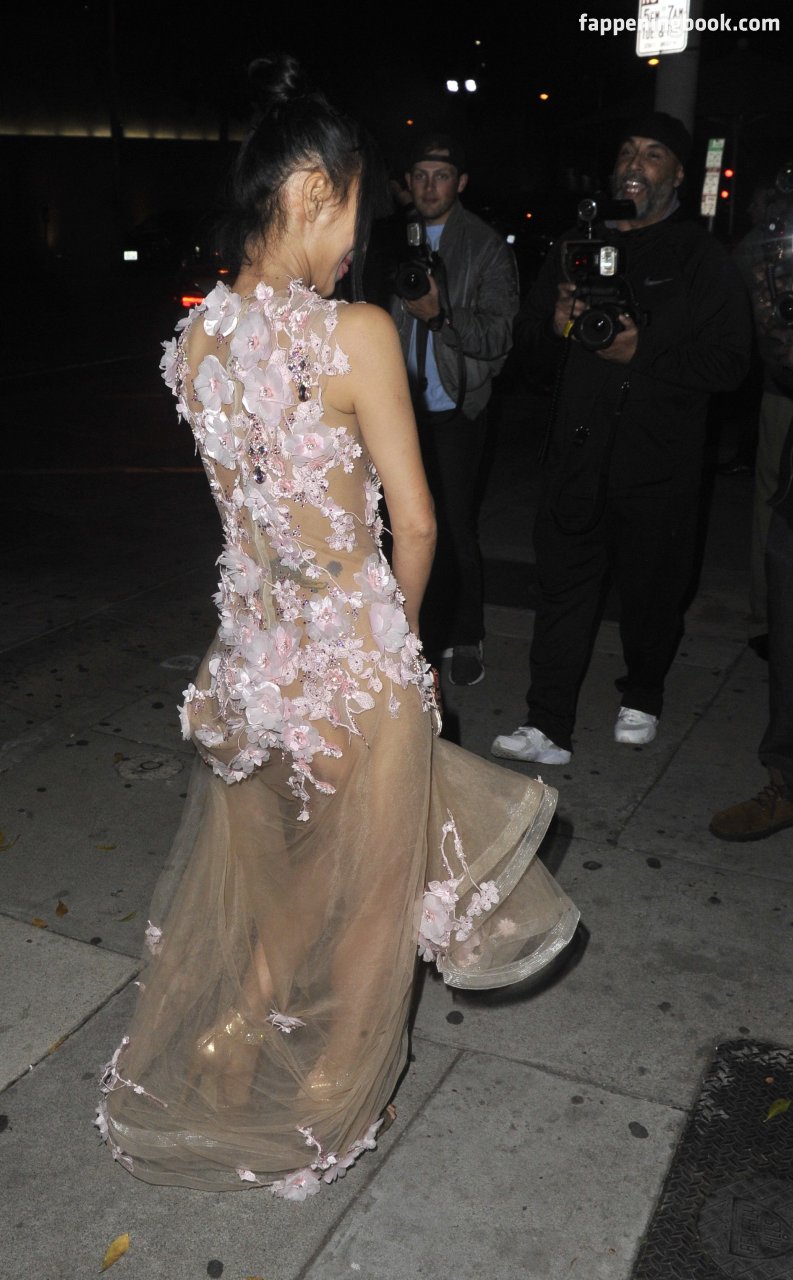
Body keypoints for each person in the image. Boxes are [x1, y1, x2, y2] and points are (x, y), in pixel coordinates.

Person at [96, 54, 578, 1199]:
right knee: (371, 890)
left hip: (250, 662)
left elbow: (247, 515)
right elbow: (420, 522)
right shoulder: (353, 332)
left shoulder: (193, 344)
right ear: (313, 191)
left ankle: (232, 1033)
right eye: (357, 208)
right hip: (350, 653)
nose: (360, 242)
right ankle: (330, 1093)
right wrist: (395, 655)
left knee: (287, 884)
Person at [492, 113, 752, 767]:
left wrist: (643, 349)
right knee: (562, 588)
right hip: (576, 458)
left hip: (658, 465)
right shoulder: (574, 245)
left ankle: (642, 693)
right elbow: (526, 357)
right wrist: (554, 327)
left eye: (653, 154)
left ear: (677, 174)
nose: (635, 163)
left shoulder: (699, 256)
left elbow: (730, 363)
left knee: (652, 594)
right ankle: (546, 722)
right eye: (628, 151)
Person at [390, 134, 519, 686]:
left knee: (455, 528)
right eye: (419, 175)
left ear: (460, 182)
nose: (429, 186)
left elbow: (499, 335)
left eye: (440, 175)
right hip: (395, 409)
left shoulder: (485, 246)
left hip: (455, 406)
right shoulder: (389, 239)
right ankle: (406, 633)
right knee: (397, 526)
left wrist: (442, 316)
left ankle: (467, 635)